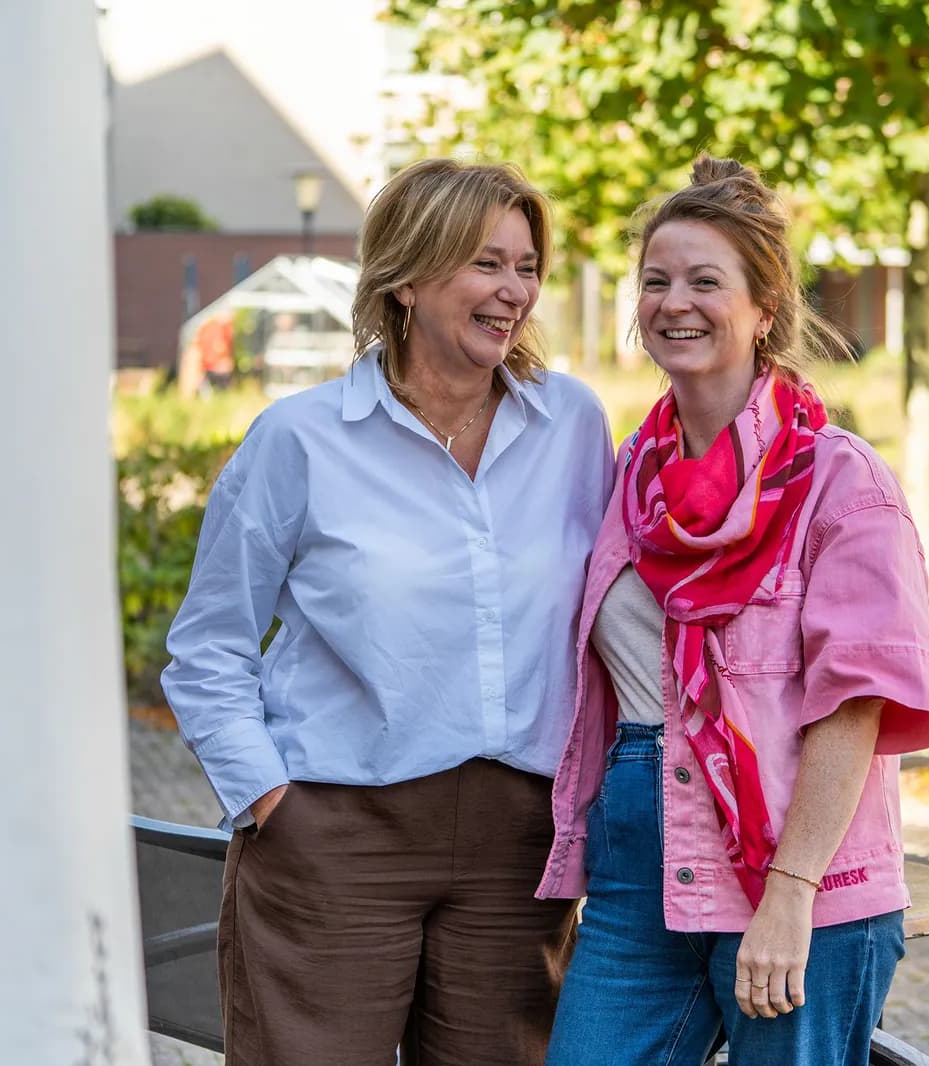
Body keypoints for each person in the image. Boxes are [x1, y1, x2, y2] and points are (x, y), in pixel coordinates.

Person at [161, 158, 614, 1066]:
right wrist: (270, 800)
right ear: (406, 277)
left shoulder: (572, 425)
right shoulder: (301, 439)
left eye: (527, 266)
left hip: (519, 846)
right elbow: (207, 647)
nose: (514, 290)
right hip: (335, 833)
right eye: (487, 263)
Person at [538, 155, 929, 1066]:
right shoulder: (627, 477)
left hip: (797, 879)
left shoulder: (839, 481)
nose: (673, 301)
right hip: (638, 879)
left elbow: (854, 706)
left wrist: (791, 891)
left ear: (765, 310)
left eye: (703, 281)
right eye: (655, 281)